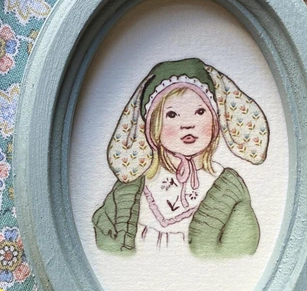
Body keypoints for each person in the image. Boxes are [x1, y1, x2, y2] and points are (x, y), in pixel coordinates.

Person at [92, 57, 269, 258]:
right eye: (172, 115)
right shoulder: (129, 189)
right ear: (152, 127)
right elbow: (106, 239)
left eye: (200, 111)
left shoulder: (229, 189)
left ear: (215, 121)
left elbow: (241, 253)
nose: (187, 124)